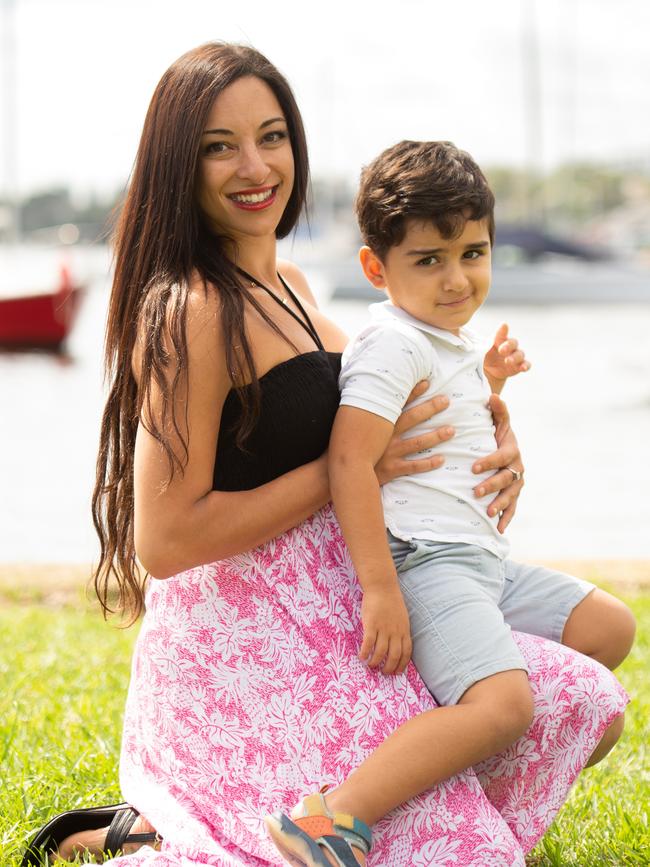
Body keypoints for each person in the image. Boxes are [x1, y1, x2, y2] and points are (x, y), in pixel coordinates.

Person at [22, 43, 630, 867]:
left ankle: (404, 809)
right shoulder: (191, 313)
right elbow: (164, 542)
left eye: (271, 136)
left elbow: (399, 405)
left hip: (343, 609)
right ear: (180, 165)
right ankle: (189, 821)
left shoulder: (299, 288)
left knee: (586, 690)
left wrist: (497, 430)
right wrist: (349, 475)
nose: (254, 166)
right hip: (254, 647)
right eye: (218, 145)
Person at [264, 141, 636, 866]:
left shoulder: (445, 338)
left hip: (481, 564)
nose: (458, 277)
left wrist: (492, 388)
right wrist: (380, 587)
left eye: (473, 252)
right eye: (429, 259)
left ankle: (451, 780)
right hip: (424, 563)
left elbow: (449, 426)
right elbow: (350, 461)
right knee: (505, 706)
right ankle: (331, 817)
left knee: (609, 627)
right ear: (377, 268)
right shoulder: (393, 343)